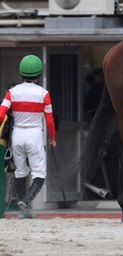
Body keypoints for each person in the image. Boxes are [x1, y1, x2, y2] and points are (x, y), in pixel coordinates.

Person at [0, 55, 57, 219]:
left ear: (21, 72)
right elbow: (50, 120)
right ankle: (25, 201)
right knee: (39, 174)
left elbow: (1, 114)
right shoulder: (44, 93)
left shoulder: (12, 92)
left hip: (17, 135)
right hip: (34, 135)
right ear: (39, 74)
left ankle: (22, 211)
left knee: (20, 172)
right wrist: (52, 138)